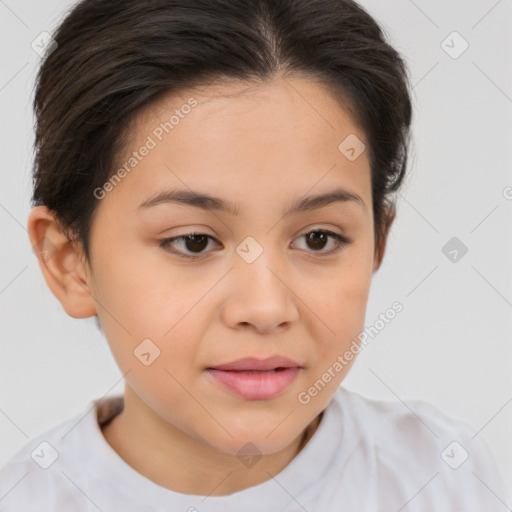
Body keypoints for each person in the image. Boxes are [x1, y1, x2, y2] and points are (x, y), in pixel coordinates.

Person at [0, 0, 509, 510]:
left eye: (318, 239)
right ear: (69, 263)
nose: (266, 309)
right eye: (194, 241)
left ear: (378, 241)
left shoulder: (444, 480)